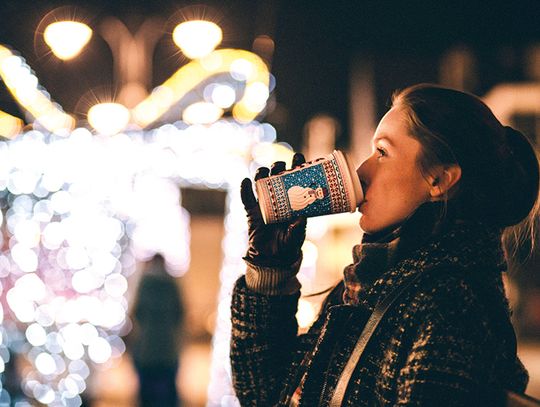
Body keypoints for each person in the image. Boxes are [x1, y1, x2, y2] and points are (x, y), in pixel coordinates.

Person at [230, 84, 540, 406]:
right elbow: (264, 394)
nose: (362, 171)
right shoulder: (370, 283)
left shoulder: (449, 305)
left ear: (439, 180)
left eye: (382, 152)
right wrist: (270, 269)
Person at [130, 254, 185, 407]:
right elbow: (180, 313)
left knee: (146, 393)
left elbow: (136, 312)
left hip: (146, 348)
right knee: (167, 393)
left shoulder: (144, 284)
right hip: (168, 348)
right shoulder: (172, 284)